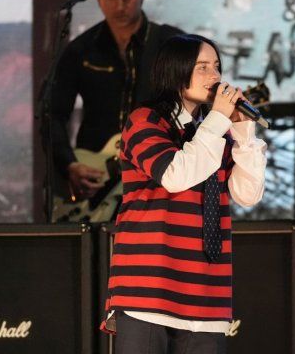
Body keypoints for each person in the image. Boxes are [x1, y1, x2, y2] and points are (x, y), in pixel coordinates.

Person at [100, 34, 267, 354]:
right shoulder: (145, 120)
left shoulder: (215, 133)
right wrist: (218, 122)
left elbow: (247, 194)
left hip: (206, 293)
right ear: (175, 70)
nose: (215, 76)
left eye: (217, 67)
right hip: (149, 288)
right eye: (202, 67)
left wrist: (244, 134)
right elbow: (175, 175)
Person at [49, 0, 182, 201]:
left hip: (156, 176)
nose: (120, 6)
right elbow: (53, 114)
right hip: (97, 177)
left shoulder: (170, 44)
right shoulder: (81, 49)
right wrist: (70, 164)